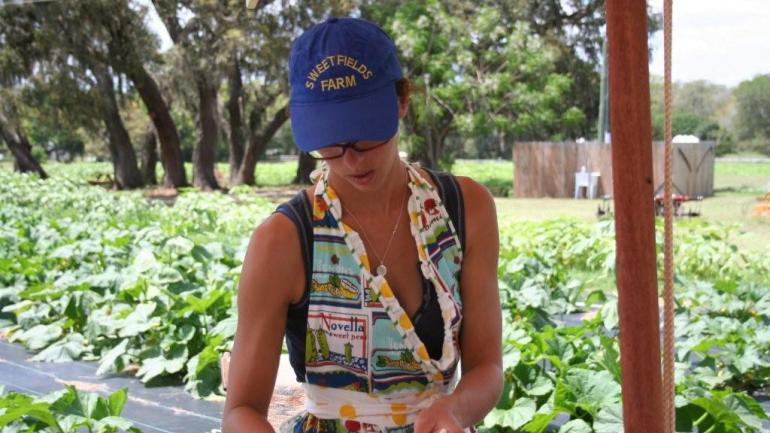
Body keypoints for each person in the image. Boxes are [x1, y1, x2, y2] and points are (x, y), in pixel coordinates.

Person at [222, 17, 502, 433]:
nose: (351, 159)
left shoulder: (465, 209)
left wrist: (455, 411)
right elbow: (241, 410)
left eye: (366, 133)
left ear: (402, 100)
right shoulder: (283, 240)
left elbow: (487, 367)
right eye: (331, 142)